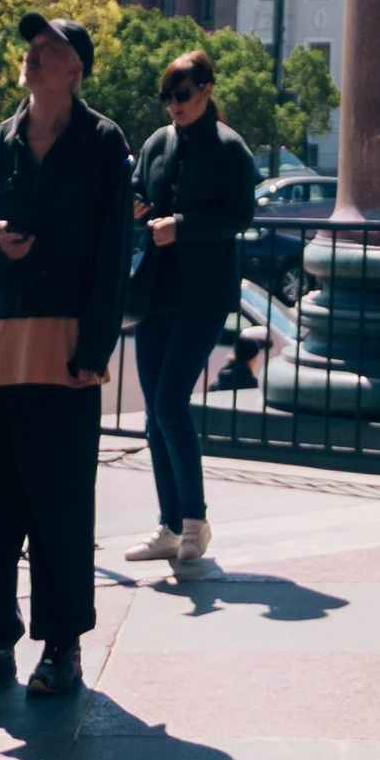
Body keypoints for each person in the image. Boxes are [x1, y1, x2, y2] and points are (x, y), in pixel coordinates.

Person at [0, 14, 134, 703]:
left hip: (63, 350)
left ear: (76, 67)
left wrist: (96, 348)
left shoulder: (104, 144)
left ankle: (62, 650)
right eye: (32, 46)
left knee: (59, 507)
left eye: (48, 49)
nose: (33, 56)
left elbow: (113, 257)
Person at [122, 47, 259, 574]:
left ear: (205, 91)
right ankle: (171, 524)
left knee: (170, 403)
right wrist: (136, 207)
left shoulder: (230, 149)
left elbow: (240, 215)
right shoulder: (158, 142)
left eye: (182, 94)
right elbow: (137, 192)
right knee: (156, 414)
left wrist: (184, 226)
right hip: (155, 293)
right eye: (167, 97)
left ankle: (194, 521)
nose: (173, 106)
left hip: (203, 296)